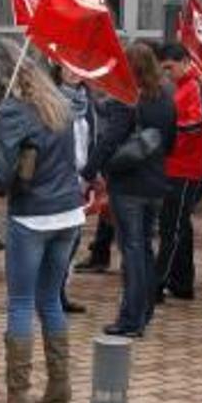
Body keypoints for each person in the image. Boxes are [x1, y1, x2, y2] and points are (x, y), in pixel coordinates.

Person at [0, 38, 83, 403]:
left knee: (20, 303)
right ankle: (59, 391)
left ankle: (16, 400)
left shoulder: (11, 110)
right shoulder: (58, 103)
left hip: (32, 216)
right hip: (69, 214)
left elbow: (0, 178)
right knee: (50, 299)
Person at [83, 41, 177, 338]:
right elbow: (171, 141)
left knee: (132, 251)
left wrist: (89, 171)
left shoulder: (128, 98)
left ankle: (131, 319)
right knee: (145, 250)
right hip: (155, 183)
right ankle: (144, 312)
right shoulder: (165, 98)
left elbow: (110, 140)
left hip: (128, 184)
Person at [153, 42, 202, 300]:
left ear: (185, 61)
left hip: (186, 167)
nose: (167, 74)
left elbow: (201, 121)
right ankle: (181, 281)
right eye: (163, 69)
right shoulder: (182, 86)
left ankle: (158, 283)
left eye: (169, 68)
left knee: (173, 227)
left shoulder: (198, 85)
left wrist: (167, 131)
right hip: (175, 164)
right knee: (178, 226)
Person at [55, 66, 96, 314]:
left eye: (77, 68)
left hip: (82, 177)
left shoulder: (88, 102)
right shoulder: (51, 99)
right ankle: (51, 293)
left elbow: (93, 138)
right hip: (60, 177)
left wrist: (92, 172)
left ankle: (59, 291)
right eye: (67, 67)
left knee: (74, 238)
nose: (73, 72)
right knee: (60, 237)